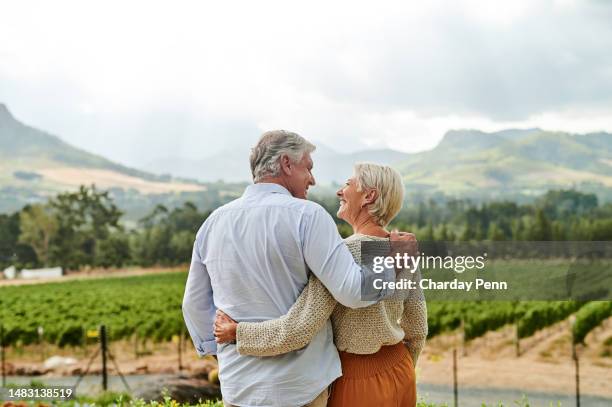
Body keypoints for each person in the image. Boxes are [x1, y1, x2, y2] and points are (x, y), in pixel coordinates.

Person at [182, 130, 416, 407]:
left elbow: (193, 305)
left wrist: (224, 352)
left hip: (239, 386)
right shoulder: (309, 216)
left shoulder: (212, 223)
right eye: (309, 168)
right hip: (300, 388)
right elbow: (353, 291)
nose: (313, 179)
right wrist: (394, 262)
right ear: (286, 163)